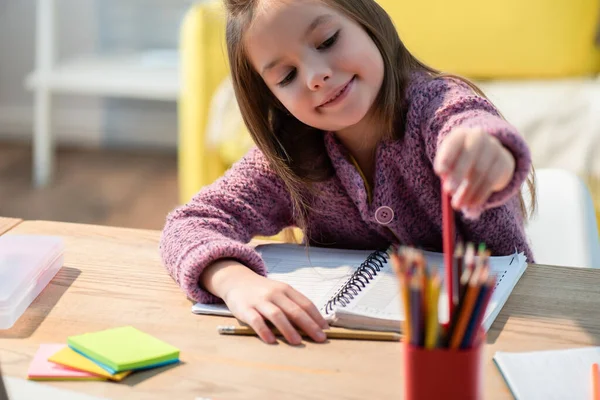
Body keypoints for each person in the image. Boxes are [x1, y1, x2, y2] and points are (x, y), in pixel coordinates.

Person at [160, 0, 535, 345]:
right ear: (272, 97)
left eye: (327, 41)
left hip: (494, 336)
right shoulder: (290, 157)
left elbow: (469, 123)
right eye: (287, 76)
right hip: (351, 350)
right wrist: (233, 281)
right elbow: (189, 223)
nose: (316, 76)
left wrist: (488, 151)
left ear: (366, 21)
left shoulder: (436, 106)